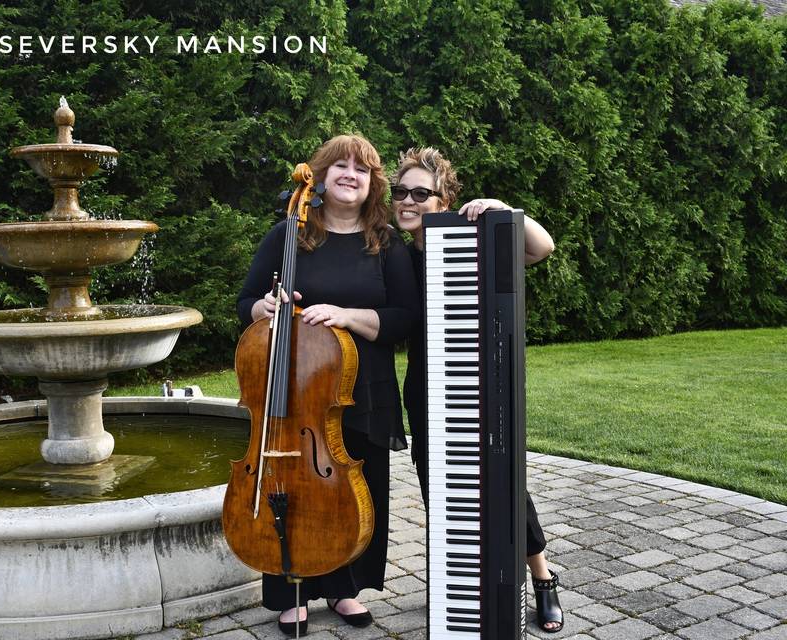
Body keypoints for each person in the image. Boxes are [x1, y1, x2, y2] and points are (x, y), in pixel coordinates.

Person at [236, 134, 419, 636]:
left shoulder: (385, 243)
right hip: (294, 391)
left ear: (372, 183)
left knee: (354, 491)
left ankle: (344, 589)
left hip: (362, 388)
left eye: (361, 169)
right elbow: (247, 300)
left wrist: (345, 315)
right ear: (317, 177)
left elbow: (404, 318)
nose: (350, 174)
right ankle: (288, 591)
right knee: (289, 489)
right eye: (339, 165)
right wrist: (263, 309)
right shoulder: (289, 235)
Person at [391, 147, 564, 633]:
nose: (407, 200)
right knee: (442, 488)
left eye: (420, 193)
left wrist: (500, 210)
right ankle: (460, 584)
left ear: (443, 199)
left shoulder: (474, 234)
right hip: (425, 386)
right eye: (401, 191)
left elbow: (541, 247)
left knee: (505, 481)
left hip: (482, 379)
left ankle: (543, 579)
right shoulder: (394, 254)